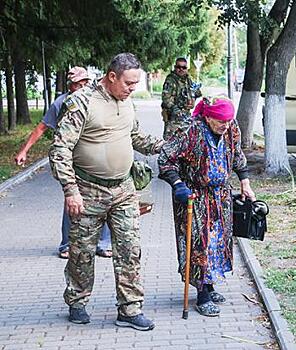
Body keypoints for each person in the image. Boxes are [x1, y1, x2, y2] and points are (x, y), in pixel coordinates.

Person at [49, 53, 164, 330]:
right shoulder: (82, 101)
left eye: (136, 83)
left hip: (124, 189)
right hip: (88, 191)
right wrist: (70, 190)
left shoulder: (127, 102)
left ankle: (130, 308)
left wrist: (166, 146)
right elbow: (60, 149)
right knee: (81, 253)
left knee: (129, 250)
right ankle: (77, 301)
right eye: (128, 83)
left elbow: (135, 136)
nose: (132, 88)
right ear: (112, 77)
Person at [158, 96, 255, 317]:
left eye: (228, 121)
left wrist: (245, 183)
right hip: (195, 195)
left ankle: (210, 286)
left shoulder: (231, 128)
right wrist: (177, 183)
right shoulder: (190, 131)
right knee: (199, 244)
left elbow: (237, 155)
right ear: (208, 117)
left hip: (221, 195)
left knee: (218, 241)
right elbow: (165, 158)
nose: (226, 125)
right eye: (221, 121)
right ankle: (202, 295)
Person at [14, 67, 112, 259]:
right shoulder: (61, 103)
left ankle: (103, 242)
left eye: (85, 81)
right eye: (78, 83)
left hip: (96, 158)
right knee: (72, 200)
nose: (82, 85)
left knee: (105, 198)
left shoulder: (96, 99)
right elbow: (42, 127)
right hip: (71, 161)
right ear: (71, 85)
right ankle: (67, 244)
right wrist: (24, 150)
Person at [161, 57, 202, 140]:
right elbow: (166, 99)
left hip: (186, 117)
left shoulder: (188, 80)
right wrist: (176, 110)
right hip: (174, 119)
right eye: (178, 67)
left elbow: (197, 93)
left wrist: (194, 92)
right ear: (175, 67)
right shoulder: (171, 80)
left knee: (185, 143)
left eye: (184, 67)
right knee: (171, 144)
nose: (181, 69)